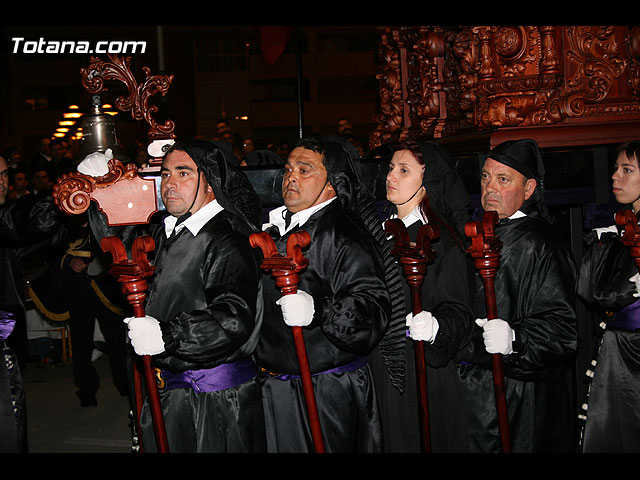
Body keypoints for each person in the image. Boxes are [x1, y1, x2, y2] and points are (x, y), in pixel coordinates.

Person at [82, 139, 266, 453]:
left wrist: (169, 334)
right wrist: (97, 192)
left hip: (213, 401)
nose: (170, 184)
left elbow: (233, 318)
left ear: (209, 180)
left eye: (183, 174)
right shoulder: (168, 229)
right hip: (173, 391)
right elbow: (121, 247)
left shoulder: (226, 239)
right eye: (166, 175)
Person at [254, 136, 405, 453]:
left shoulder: (344, 233)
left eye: (305, 170)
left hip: (325, 392)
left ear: (332, 185)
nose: (291, 176)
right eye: (289, 168)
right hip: (277, 387)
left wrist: (319, 311)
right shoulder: (278, 227)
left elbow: (374, 310)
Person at [457, 138, 578, 453]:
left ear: (528, 189)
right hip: (474, 391)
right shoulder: (477, 232)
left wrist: (516, 338)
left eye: (503, 179)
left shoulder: (542, 243)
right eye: (485, 177)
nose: (490, 187)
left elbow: (562, 332)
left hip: (519, 396)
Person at [369, 140, 474, 452]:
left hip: (419, 371)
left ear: (426, 183)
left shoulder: (438, 239)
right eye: (391, 168)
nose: (391, 176)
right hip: (381, 364)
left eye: (404, 170)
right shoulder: (384, 231)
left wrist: (436, 326)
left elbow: (459, 311)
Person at [577, 140, 640, 452]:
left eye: (627, 170)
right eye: (616, 169)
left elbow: (611, 294)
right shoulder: (621, 230)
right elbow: (589, 291)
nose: (615, 177)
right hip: (617, 350)